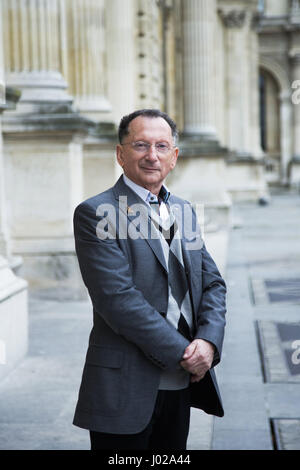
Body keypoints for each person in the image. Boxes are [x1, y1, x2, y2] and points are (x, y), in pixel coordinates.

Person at [72, 109, 226, 450]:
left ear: (174, 156)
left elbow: (212, 283)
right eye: (140, 145)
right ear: (120, 154)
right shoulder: (97, 212)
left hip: (183, 383)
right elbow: (118, 300)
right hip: (125, 386)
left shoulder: (185, 211)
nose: (151, 155)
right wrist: (187, 353)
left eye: (161, 146)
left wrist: (209, 343)